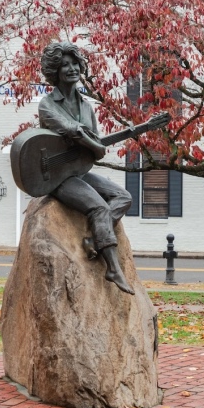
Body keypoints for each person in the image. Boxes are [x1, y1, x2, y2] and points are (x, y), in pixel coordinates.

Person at [38, 41, 135, 295]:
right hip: (57, 176)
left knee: (124, 197)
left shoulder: (86, 106)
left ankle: (94, 238)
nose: (72, 69)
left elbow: (93, 144)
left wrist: (101, 144)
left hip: (78, 171)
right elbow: (73, 130)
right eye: (65, 65)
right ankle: (113, 268)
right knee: (99, 207)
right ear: (55, 71)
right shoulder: (47, 104)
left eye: (75, 64)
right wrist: (94, 145)